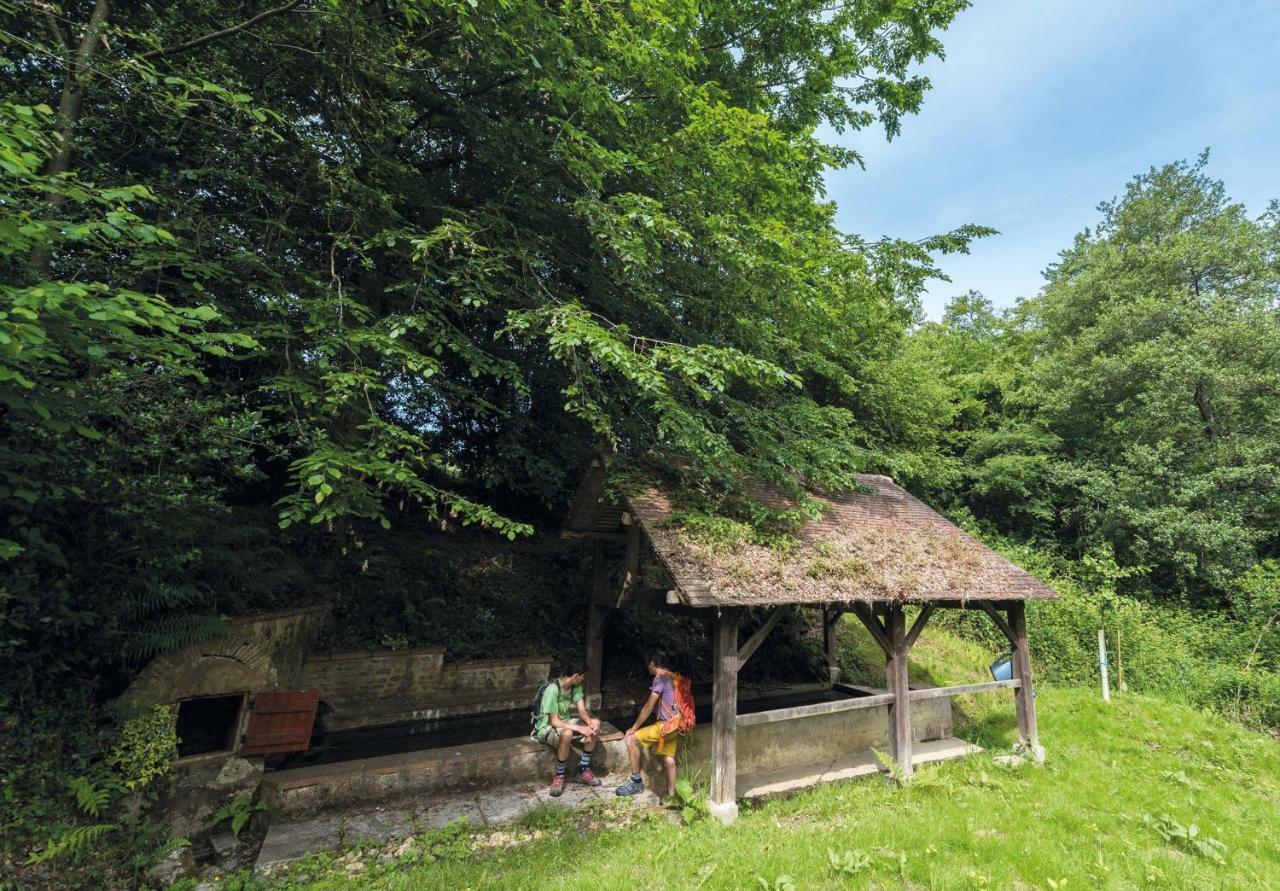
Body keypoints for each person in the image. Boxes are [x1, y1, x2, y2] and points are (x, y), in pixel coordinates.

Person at [616, 652, 680, 798]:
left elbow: (649, 706)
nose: (648, 668)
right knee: (668, 760)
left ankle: (635, 782)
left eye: (648, 664)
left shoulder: (660, 679)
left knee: (631, 740)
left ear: (652, 663)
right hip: (676, 725)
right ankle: (672, 796)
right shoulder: (673, 677)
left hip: (665, 727)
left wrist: (633, 728)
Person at [533, 665, 602, 797]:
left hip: (564, 724)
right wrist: (579, 728)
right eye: (582, 677)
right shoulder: (552, 689)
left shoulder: (575, 687)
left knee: (596, 723)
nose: (583, 680)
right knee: (567, 733)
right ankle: (559, 777)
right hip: (547, 728)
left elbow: (582, 711)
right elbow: (554, 721)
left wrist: (589, 723)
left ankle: (583, 769)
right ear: (575, 676)